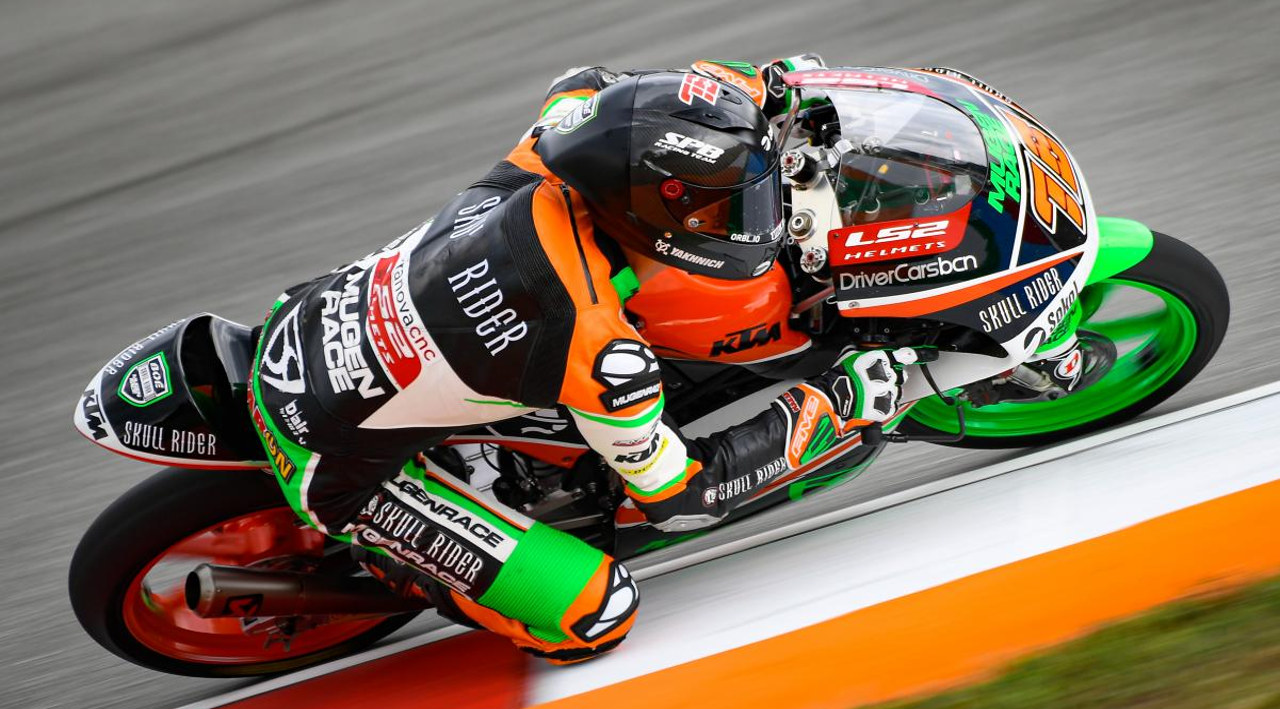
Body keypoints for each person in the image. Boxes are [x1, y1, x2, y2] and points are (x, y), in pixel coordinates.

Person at [248, 56, 916, 665]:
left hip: (301, 318)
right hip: (327, 457)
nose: (749, 223)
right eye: (722, 213)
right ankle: (395, 561)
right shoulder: (597, 347)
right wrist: (831, 407)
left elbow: (589, 84)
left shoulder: (546, 154)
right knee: (597, 617)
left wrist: (756, 94)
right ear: (647, 211)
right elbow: (684, 498)